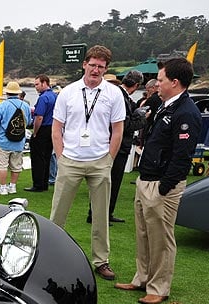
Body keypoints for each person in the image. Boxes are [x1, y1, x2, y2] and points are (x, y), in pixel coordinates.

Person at [115, 58, 201, 304]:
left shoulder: (186, 112)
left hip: (162, 185)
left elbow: (182, 156)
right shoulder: (166, 106)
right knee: (143, 234)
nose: (156, 85)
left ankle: (159, 287)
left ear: (174, 82)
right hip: (146, 179)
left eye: (161, 80)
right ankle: (142, 278)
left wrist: (164, 187)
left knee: (161, 237)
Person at [50, 44, 125, 282]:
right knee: (57, 214)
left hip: (99, 161)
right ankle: (49, 256)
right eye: (92, 65)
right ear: (84, 64)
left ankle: (101, 261)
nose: (95, 70)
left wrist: (109, 160)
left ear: (106, 69)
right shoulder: (69, 92)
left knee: (101, 215)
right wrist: (61, 158)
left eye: (100, 67)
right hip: (70, 160)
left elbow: (118, 130)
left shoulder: (114, 94)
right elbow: (56, 128)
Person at [87, 70, 148, 224]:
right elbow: (125, 125)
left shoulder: (120, 95)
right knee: (109, 181)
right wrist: (141, 118)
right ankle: (98, 214)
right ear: (136, 85)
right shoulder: (120, 96)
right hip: (116, 146)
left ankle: (104, 213)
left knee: (109, 182)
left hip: (113, 144)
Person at [0, 81, 31, 195]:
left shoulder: (2, 106)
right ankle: (12, 187)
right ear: (18, 93)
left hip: (3, 141)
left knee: (2, 165)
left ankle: (2, 188)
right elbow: (29, 122)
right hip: (19, 141)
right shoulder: (26, 106)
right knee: (16, 166)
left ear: (7, 93)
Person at [26, 74, 56, 192]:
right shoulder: (54, 96)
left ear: (44, 83)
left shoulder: (43, 98)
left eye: (37, 84)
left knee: (38, 158)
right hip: (52, 128)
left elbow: (39, 117)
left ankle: (38, 184)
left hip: (43, 129)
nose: (35, 87)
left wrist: (35, 132)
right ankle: (44, 183)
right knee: (47, 157)